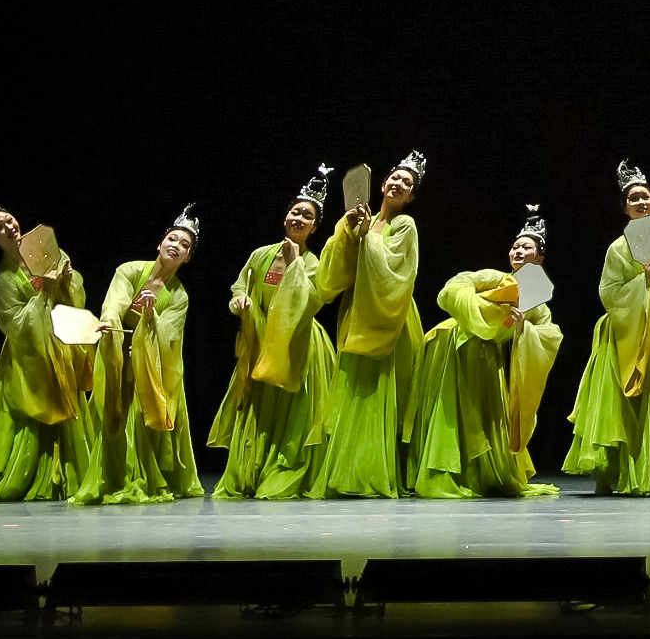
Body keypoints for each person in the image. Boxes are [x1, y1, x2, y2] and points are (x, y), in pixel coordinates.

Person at [563, 160, 650, 495]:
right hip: (624, 333)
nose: (641, 202)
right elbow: (609, 291)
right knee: (620, 403)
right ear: (625, 208)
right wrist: (642, 281)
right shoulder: (618, 248)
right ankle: (612, 472)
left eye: (645, 196)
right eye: (633, 199)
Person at [407, 208, 565, 499]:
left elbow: (550, 335)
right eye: (515, 246)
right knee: (450, 412)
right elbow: (454, 286)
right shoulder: (494, 277)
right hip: (454, 344)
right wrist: (482, 310)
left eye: (526, 247)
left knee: (481, 416)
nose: (519, 251)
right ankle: (447, 473)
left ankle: (477, 474)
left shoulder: (538, 299)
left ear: (539, 258)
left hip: (487, 357)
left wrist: (523, 330)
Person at [0, 192, 91, 502]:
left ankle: (65, 474)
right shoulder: (5, 279)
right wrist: (44, 294)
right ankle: (30, 474)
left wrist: (67, 282)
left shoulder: (47, 251)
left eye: (9, 220)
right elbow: (13, 324)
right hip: (28, 356)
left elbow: (74, 301)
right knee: (29, 412)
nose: (8, 227)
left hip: (59, 347)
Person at [210, 169, 341, 500]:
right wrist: (240, 301)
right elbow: (242, 284)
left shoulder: (313, 262)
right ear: (285, 217)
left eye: (307, 216)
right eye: (295, 211)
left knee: (291, 413)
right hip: (260, 340)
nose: (299, 218)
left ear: (314, 227)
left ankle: (282, 469)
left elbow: (313, 301)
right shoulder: (261, 254)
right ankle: (251, 470)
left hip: (297, 344)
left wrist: (295, 264)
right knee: (257, 410)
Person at [311, 153, 428, 499]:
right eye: (396, 177)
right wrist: (347, 231)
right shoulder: (366, 219)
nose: (399, 183)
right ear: (382, 183)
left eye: (407, 183)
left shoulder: (405, 225)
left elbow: (397, 270)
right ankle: (350, 470)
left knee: (381, 393)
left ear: (411, 196)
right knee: (355, 393)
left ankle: (378, 471)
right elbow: (335, 274)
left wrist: (366, 236)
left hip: (389, 316)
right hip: (357, 312)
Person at [75, 208, 205, 505]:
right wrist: (109, 321)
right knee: (113, 415)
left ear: (187, 258)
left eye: (184, 245)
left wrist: (150, 318)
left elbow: (169, 334)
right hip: (118, 352)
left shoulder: (179, 296)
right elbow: (114, 303)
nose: (176, 245)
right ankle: (112, 475)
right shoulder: (130, 270)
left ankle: (138, 475)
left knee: (139, 417)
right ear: (159, 244)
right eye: (172, 239)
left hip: (149, 363)